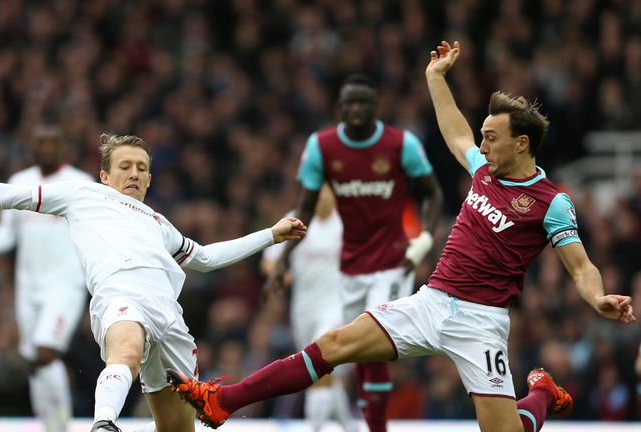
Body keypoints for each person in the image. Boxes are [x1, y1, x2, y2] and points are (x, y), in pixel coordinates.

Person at [165, 40, 637, 432]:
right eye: (483, 135)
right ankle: (224, 401)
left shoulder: (551, 202)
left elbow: (580, 266)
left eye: (492, 136)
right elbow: (456, 136)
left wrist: (597, 299)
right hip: (431, 301)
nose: (482, 143)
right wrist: (435, 79)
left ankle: (540, 392)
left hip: (482, 321)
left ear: (522, 143)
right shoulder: (483, 171)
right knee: (333, 346)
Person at [0, 133, 307, 432]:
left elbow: (208, 258)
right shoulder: (82, 195)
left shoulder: (160, 224)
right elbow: (6, 195)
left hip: (170, 316)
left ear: (149, 179)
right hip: (119, 294)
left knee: (178, 428)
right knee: (125, 350)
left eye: (142, 168)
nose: (134, 174)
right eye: (124, 166)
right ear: (105, 175)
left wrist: (270, 233)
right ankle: (104, 424)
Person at [264, 72, 444, 432]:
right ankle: (353, 425)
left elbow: (432, 193)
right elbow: (305, 208)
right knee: (351, 356)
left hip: (392, 262)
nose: (358, 109)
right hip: (351, 269)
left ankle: (374, 429)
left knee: (373, 337)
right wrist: (281, 262)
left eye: (364, 102)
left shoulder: (401, 144)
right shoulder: (321, 147)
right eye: (350, 103)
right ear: (340, 108)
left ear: (376, 106)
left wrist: (423, 240)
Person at [0, 125, 92, 432]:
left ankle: (62, 425)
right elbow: (8, 231)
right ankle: (51, 425)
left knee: (47, 351)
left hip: (65, 284)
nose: (46, 148)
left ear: (63, 147)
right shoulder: (20, 183)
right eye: (41, 143)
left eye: (52, 143)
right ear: (32, 148)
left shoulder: (80, 184)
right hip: (28, 285)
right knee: (34, 360)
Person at [260, 184, 355, 432]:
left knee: (320, 367)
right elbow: (269, 261)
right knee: (325, 376)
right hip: (303, 311)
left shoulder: (348, 221)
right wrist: (280, 274)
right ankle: (349, 427)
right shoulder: (297, 220)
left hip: (338, 308)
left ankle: (315, 428)